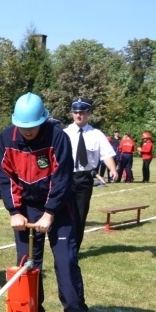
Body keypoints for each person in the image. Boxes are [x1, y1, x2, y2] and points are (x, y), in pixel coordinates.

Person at [0, 93, 88, 312]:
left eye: (33, 126)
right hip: (26, 206)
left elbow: (62, 178)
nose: (28, 131)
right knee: (27, 263)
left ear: (42, 121)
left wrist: (49, 213)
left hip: (59, 206)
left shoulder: (58, 137)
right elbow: (6, 178)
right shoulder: (6, 138)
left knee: (66, 260)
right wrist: (14, 210)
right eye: (23, 127)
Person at [63, 97, 117, 252]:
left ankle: (74, 250)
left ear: (89, 113)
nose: (78, 115)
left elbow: (106, 155)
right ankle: (64, 248)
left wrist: (112, 169)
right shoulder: (64, 133)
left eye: (82, 112)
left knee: (80, 216)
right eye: (75, 112)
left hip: (85, 178)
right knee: (66, 215)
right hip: (67, 177)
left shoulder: (96, 134)